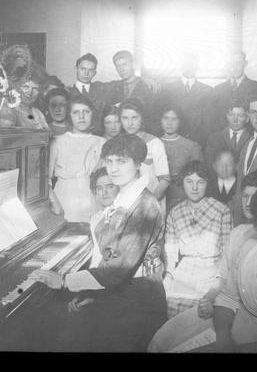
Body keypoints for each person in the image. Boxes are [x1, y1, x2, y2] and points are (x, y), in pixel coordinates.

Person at [149, 181, 257, 353]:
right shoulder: (250, 246)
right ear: (256, 223)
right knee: (163, 341)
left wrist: (235, 350)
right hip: (233, 327)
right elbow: (227, 297)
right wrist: (224, 338)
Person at [29, 134, 167, 352]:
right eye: (109, 161)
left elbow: (117, 270)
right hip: (122, 293)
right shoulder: (125, 198)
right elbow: (111, 256)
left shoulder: (144, 206)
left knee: (70, 335)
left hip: (140, 302)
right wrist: (93, 293)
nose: (113, 168)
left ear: (139, 164)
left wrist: (64, 281)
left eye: (121, 161)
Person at [163, 161, 231, 319]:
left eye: (200, 182)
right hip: (183, 274)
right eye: (189, 182)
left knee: (200, 316)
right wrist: (167, 282)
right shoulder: (175, 212)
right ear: (182, 183)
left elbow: (226, 256)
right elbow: (171, 256)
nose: (194, 188)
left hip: (211, 274)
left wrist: (214, 291)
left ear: (208, 184)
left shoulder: (222, 211)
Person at [48, 94, 105, 222]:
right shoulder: (58, 141)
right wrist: (55, 204)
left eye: (86, 112)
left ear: (92, 114)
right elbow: (46, 180)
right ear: (70, 115)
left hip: (92, 199)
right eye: (76, 112)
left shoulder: (101, 142)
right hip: (64, 199)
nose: (81, 116)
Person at [119, 98, 170, 216]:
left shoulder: (154, 142)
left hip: (151, 205)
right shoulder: (118, 143)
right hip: (125, 206)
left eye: (134, 118)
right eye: (125, 118)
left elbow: (165, 180)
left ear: (142, 118)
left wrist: (150, 202)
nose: (130, 123)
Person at [155, 52, 213, 146]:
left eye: (191, 64)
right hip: (172, 141)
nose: (188, 67)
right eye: (185, 63)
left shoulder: (207, 90)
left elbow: (208, 122)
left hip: (199, 142)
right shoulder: (167, 88)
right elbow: (160, 117)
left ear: (197, 66)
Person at [205, 50, 257, 135]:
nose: (234, 67)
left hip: (249, 138)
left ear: (245, 64)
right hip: (223, 139)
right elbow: (213, 120)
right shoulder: (217, 90)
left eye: (238, 63)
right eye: (231, 63)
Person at [159, 104, 203, 213]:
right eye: (166, 118)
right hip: (156, 196)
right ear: (160, 120)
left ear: (180, 121)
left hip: (182, 199)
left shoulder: (192, 146)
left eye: (174, 119)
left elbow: (200, 178)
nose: (169, 123)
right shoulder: (153, 144)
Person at [108, 50, 158, 134]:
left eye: (124, 64)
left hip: (143, 135)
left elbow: (153, 117)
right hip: (121, 136)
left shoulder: (148, 87)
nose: (121, 69)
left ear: (133, 64)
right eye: (118, 66)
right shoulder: (114, 88)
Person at [68, 53, 112, 134]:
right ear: (76, 69)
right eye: (83, 69)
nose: (86, 73)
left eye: (90, 70)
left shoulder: (101, 90)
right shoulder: (67, 93)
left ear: (94, 73)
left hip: (97, 137)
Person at [204, 98, 251, 166]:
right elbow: (209, 165)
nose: (235, 120)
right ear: (226, 116)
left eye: (240, 116)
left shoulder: (251, 139)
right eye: (231, 115)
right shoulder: (214, 139)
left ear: (247, 119)